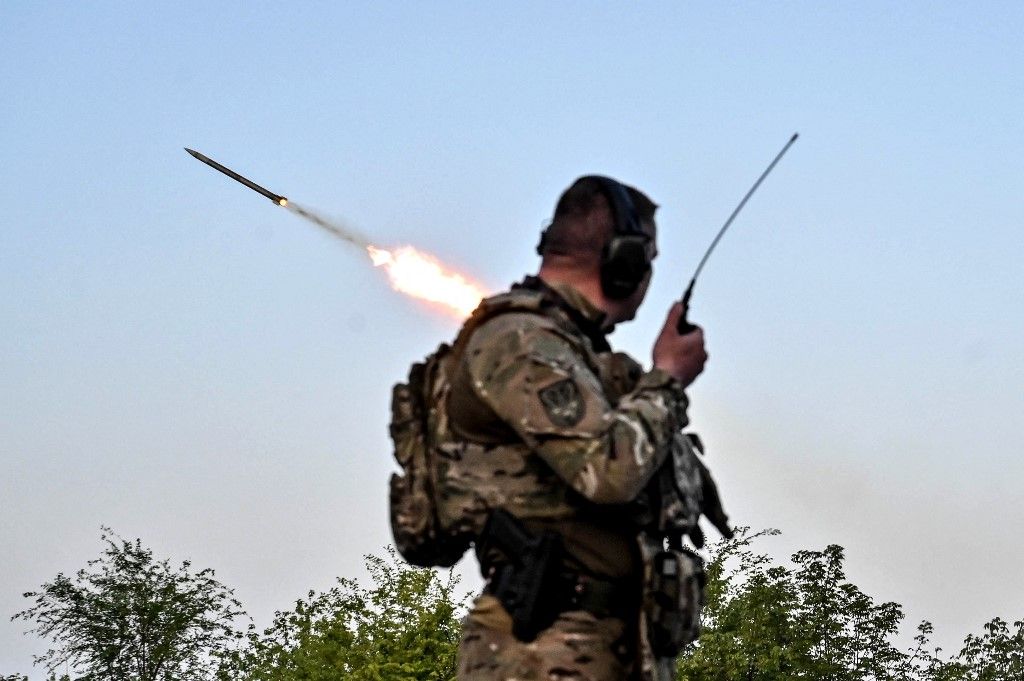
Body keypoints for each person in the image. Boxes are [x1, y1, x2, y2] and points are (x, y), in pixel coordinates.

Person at [418, 176, 728, 680]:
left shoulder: (573, 352)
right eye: (648, 262)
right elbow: (605, 471)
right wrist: (668, 380)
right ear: (626, 262)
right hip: (540, 651)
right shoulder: (520, 342)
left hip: (601, 646)